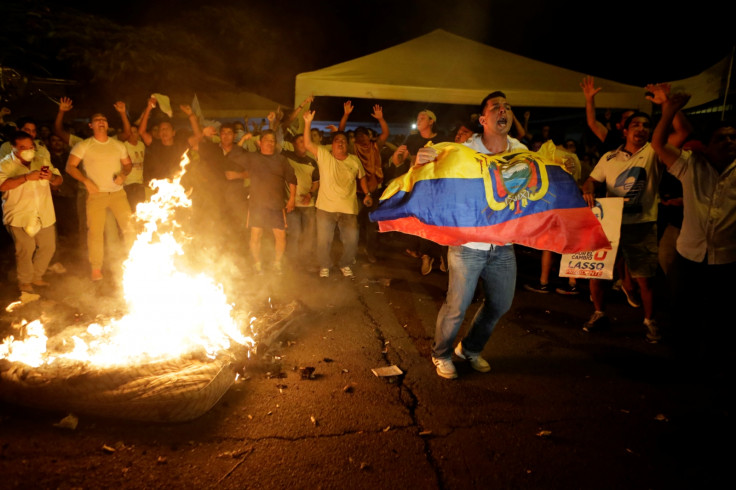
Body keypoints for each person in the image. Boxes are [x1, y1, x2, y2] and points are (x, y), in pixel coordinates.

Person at [428, 91, 526, 379]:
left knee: (500, 304)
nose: (502, 110)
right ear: (483, 119)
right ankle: (441, 353)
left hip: (504, 245)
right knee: (456, 306)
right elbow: (437, 176)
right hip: (467, 245)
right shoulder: (465, 150)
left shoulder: (520, 150)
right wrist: (424, 160)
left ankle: (469, 349)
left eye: (507, 106)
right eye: (495, 107)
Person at [581, 94, 690, 342]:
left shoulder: (654, 152)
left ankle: (650, 321)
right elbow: (592, 180)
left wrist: (668, 106)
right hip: (609, 225)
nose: (641, 129)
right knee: (597, 274)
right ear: (625, 131)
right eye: (635, 125)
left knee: (645, 279)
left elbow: (683, 132)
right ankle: (599, 313)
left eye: (646, 125)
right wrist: (587, 188)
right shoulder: (608, 157)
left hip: (642, 226)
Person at [650, 89, 735, 355]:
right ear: (707, 146)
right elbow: (659, 144)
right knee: (684, 312)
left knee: (720, 317)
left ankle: (715, 360)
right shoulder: (691, 166)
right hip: (689, 257)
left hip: (727, 259)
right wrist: (669, 111)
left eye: (734, 137)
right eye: (722, 138)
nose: (730, 142)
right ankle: (684, 359)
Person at [66, 110, 134, 281]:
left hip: (118, 194)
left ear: (108, 124)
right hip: (97, 195)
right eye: (97, 120)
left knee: (130, 228)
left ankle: (135, 261)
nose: (101, 122)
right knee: (95, 232)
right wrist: (86, 181)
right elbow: (70, 167)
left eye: (104, 119)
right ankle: (96, 268)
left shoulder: (118, 145)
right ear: (91, 125)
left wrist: (124, 174)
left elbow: (128, 165)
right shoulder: (84, 145)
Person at [303, 110, 370, 278]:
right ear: (331, 144)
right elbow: (307, 144)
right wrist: (307, 123)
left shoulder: (354, 160)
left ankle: (345, 263)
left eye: (343, 141)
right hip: (325, 208)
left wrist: (367, 193)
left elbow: (361, 177)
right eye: (337, 140)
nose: (340, 143)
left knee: (352, 242)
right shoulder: (325, 156)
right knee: (323, 241)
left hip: (348, 209)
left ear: (347, 144)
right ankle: (325, 265)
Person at [0, 131, 63, 293]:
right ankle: (25, 282)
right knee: (26, 248)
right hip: (19, 215)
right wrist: (26, 177)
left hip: (43, 213)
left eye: (30, 146)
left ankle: (37, 276)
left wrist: (51, 177)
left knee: (48, 247)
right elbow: (2, 185)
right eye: (23, 147)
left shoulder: (41, 160)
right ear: (13, 147)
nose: (28, 150)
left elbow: (58, 179)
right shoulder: (5, 165)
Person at [338, 101, 390, 263]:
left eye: (364, 134)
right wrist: (345, 115)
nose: (362, 137)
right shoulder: (353, 148)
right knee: (353, 224)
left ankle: (370, 252)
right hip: (357, 191)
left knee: (371, 224)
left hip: (373, 191)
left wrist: (381, 119)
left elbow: (385, 134)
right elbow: (340, 133)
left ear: (369, 136)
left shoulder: (375, 146)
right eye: (359, 135)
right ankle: (352, 252)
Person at [242, 129, 297, 275]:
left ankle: (277, 264)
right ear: (259, 143)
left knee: (280, 236)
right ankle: (257, 264)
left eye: (273, 141)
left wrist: (292, 198)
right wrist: (243, 139)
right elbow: (234, 156)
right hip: (256, 205)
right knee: (256, 235)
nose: (270, 143)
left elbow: (292, 178)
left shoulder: (281, 160)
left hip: (276, 205)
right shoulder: (253, 157)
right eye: (267, 140)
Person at [282, 133, 319, 268]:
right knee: (294, 234)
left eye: (305, 141)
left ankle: (305, 260)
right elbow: (278, 138)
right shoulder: (286, 157)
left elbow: (316, 182)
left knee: (309, 235)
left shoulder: (312, 161)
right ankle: (292, 262)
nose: (303, 144)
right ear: (293, 144)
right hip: (291, 203)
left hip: (308, 204)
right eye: (300, 141)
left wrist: (310, 193)